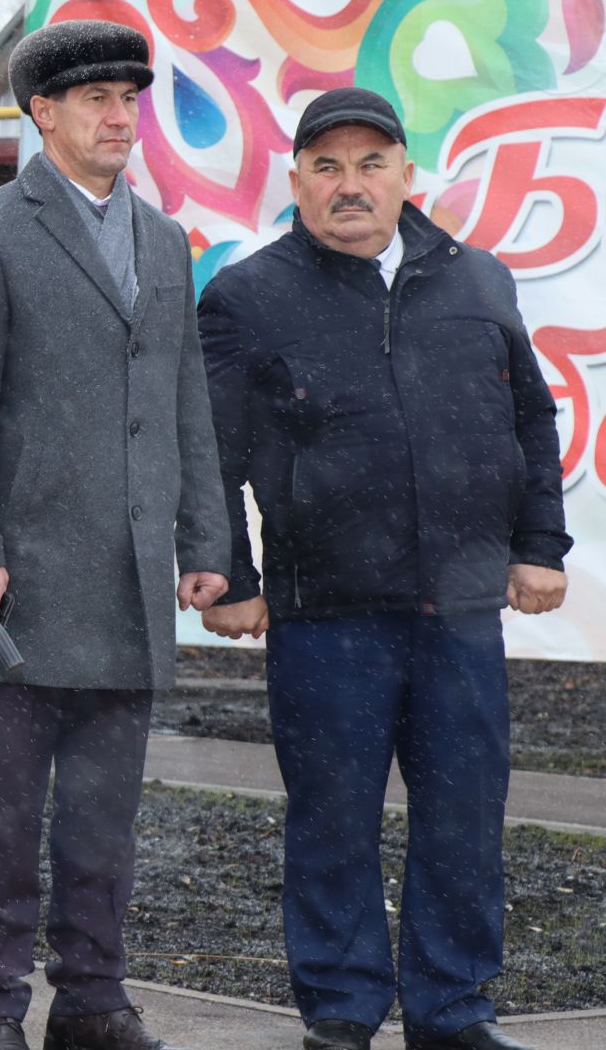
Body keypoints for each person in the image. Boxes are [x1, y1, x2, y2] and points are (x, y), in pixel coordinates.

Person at [198, 87, 569, 1050]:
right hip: (326, 616)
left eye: (371, 165)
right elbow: (212, 452)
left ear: (408, 176)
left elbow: (531, 415)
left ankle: (454, 1012)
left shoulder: (480, 280)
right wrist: (230, 575)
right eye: (327, 167)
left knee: (463, 821)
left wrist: (539, 546)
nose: (350, 185)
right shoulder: (249, 295)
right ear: (296, 183)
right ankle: (341, 1013)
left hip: (461, 610)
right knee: (332, 824)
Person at [0, 18, 231, 1050]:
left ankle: (93, 997)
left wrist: (206, 539)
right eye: (96, 97)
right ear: (42, 111)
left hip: (133, 575)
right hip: (26, 581)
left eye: (130, 98)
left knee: (104, 816)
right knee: (5, 817)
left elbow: (186, 396)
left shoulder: (164, 239)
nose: (118, 115)